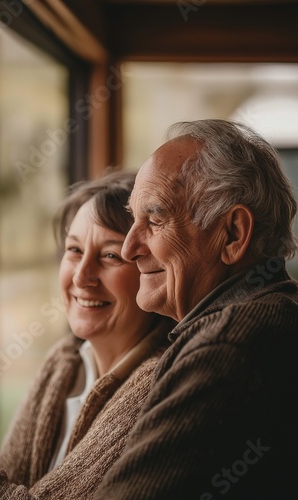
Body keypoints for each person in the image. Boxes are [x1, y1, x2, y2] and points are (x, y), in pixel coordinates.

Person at [92, 119, 298, 500]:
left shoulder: (230, 344)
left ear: (233, 234)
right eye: (132, 218)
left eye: (154, 219)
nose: (128, 249)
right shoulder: (271, 311)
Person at [0, 171, 175, 499]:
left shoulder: (158, 388)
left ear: (150, 273)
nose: (82, 276)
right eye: (74, 250)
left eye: (111, 255)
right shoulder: (63, 362)